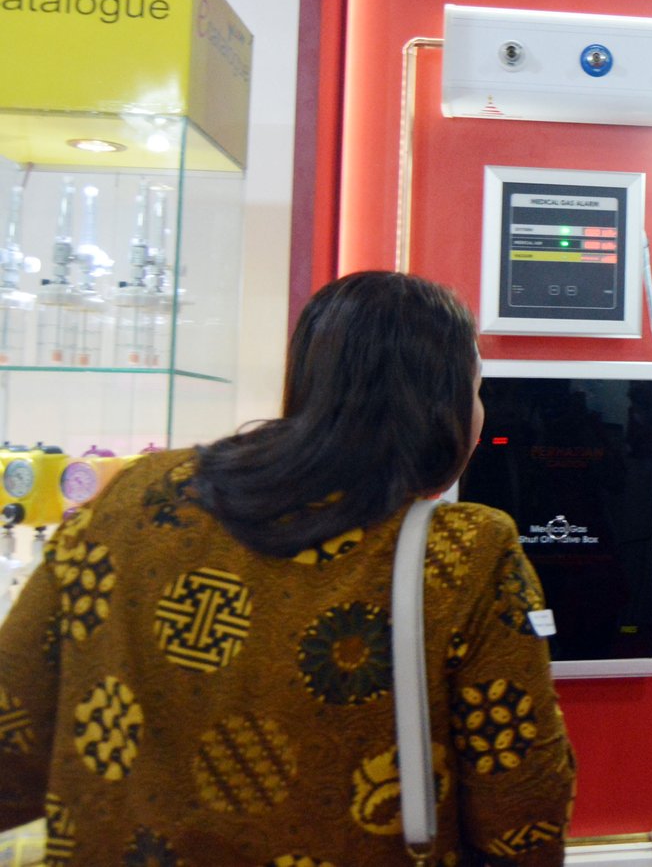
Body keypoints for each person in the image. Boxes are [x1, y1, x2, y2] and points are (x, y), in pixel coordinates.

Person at [0, 271, 576, 865]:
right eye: (477, 390)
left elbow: (13, 736)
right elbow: (523, 808)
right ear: (443, 406)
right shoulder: (466, 554)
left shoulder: (135, 498)